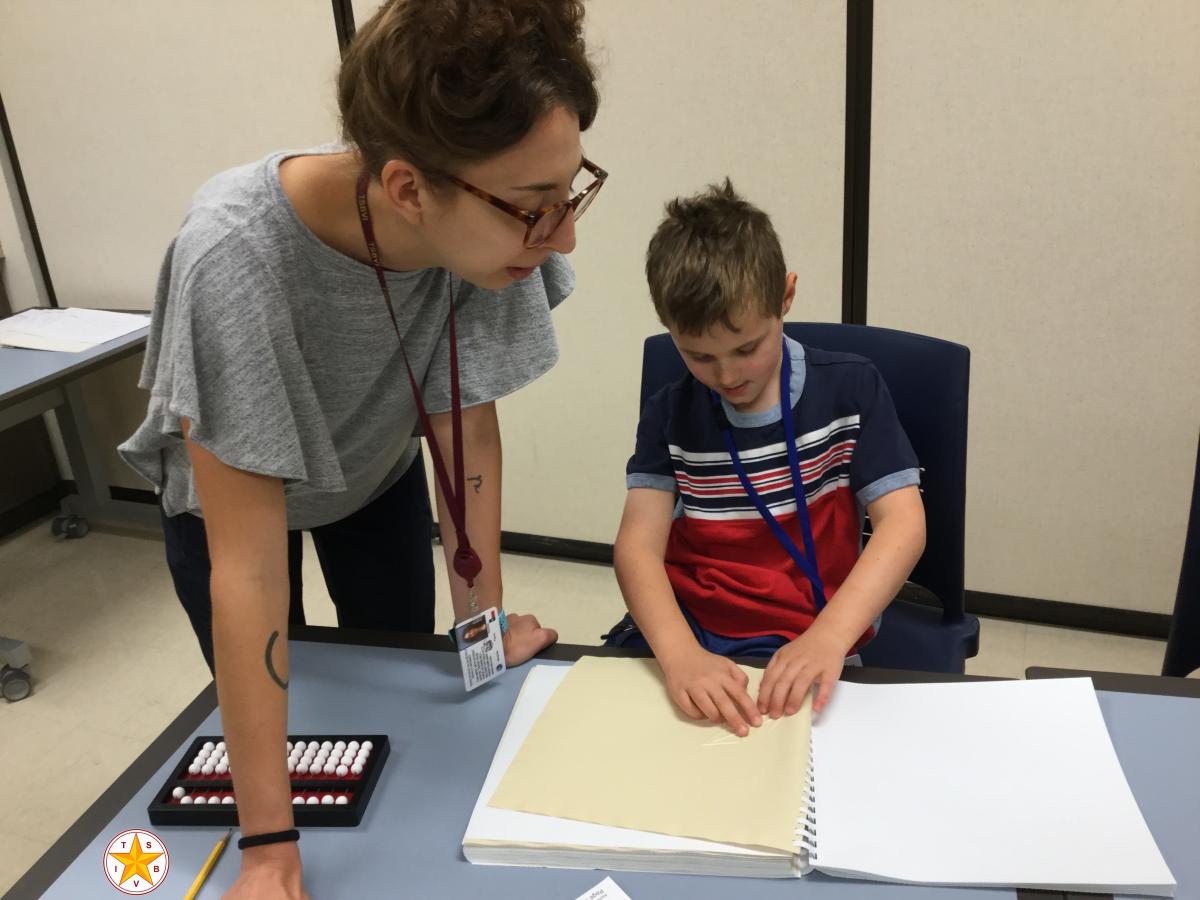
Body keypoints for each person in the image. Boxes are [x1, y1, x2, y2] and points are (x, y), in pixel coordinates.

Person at [117, 1, 603, 895]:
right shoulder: (234, 257)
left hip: (375, 478)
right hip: (231, 515)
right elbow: (249, 571)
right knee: (293, 713)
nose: (562, 234)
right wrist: (269, 850)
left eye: (568, 195)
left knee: (395, 697)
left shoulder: (489, 235)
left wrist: (483, 634)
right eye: (536, 209)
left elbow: (466, 438)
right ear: (409, 189)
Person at [607, 179, 925, 738]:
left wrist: (830, 636)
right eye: (698, 356)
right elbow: (637, 547)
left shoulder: (851, 390)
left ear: (786, 296)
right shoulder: (670, 412)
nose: (727, 375)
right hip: (690, 627)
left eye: (747, 348)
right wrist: (679, 653)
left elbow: (903, 525)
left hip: (806, 631)